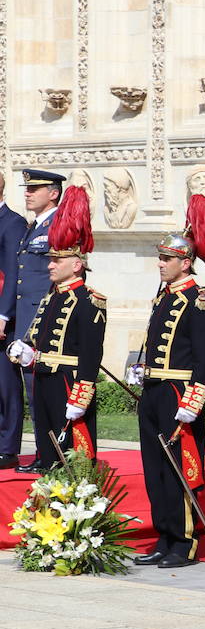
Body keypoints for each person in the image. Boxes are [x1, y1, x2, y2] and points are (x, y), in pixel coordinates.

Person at [132, 213, 205, 569]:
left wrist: (195, 398)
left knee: (179, 468)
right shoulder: (163, 296)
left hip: (178, 393)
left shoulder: (200, 299)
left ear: (186, 263)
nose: (160, 264)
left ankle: (184, 542)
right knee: (155, 469)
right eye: (160, 257)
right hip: (154, 390)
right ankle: (164, 535)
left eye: (167, 258)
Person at [6, 186, 104, 472]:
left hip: (67, 382)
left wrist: (81, 395)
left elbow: (90, 354)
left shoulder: (88, 300)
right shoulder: (53, 295)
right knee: (49, 450)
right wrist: (27, 349)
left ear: (76, 265)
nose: (49, 265)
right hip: (46, 377)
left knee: (74, 459)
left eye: (56, 260)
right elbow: (41, 333)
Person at [5, 169, 64, 471]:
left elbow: (50, 280)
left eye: (35, 188)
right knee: (34, 391)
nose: (27, 193)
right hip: (27, 318)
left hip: (42, 320)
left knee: (43, 389)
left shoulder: (57, 225)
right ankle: (44, 454)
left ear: (53, 193)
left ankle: (52, 456)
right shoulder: (34, 226)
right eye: (27, 188)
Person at [0, 169, 27, 470]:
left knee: (5, 385)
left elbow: (11, 274)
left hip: (2, 318)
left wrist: (3, 315)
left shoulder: (12, 223)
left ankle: (7, 448)